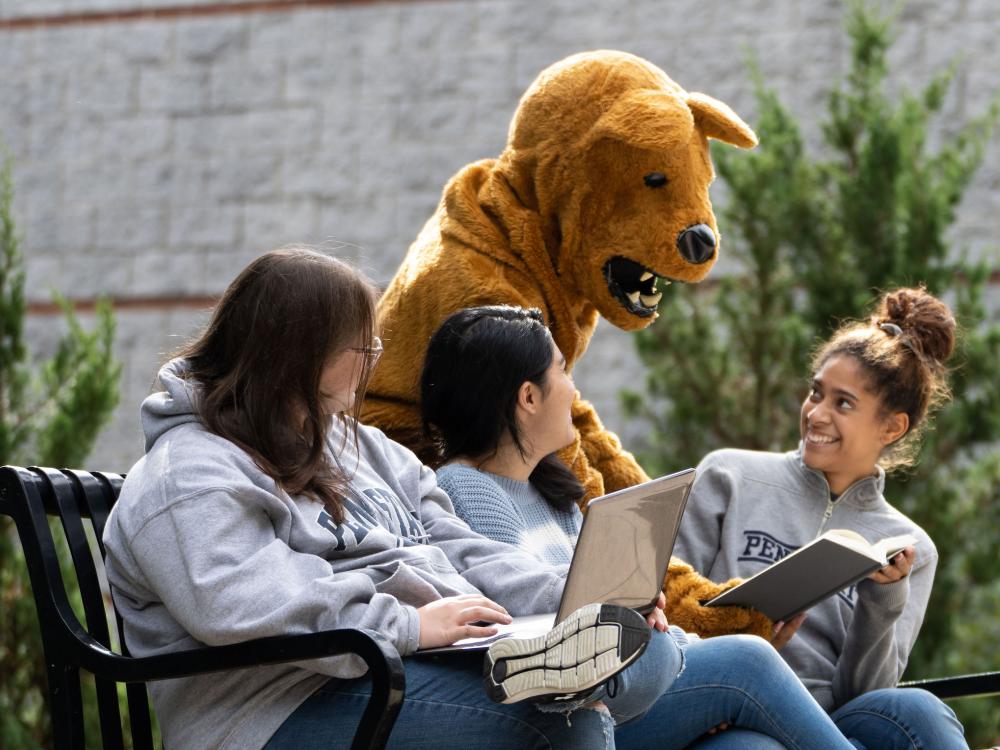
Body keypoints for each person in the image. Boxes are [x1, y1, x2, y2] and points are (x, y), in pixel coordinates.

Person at [102, 248, 678, 750]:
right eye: (360, 345)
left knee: (664, 670)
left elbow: (461, 547)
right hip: (273, 713)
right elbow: (240, 606)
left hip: (387, 672)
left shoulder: (359, 448)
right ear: (299, 353)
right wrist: (406, 626)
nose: (375, 357)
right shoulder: (188, 474)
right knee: (561, 719)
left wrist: (581, 597)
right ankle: (576, 678)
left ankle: (578, 672)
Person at [419, 304, 860, 750]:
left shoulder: (550, 492)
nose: (573, 390)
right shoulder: (465, 488)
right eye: (562, 371)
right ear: (528, 398)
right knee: (749, 660)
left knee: (747, 747)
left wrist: (660, 625)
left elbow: (603, 605)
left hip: (631, 681)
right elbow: (533, 612)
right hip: (569, 709)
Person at [671, 287, 968, 749]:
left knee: (921, 712)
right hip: (726, 712)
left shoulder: (910, 546)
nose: (817, 414)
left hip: (828, 721)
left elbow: (865, 695)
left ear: (892, 427)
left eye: (843, 403)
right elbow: (666, 601)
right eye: (816, 393)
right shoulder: (729, 474)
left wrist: (882, 601)